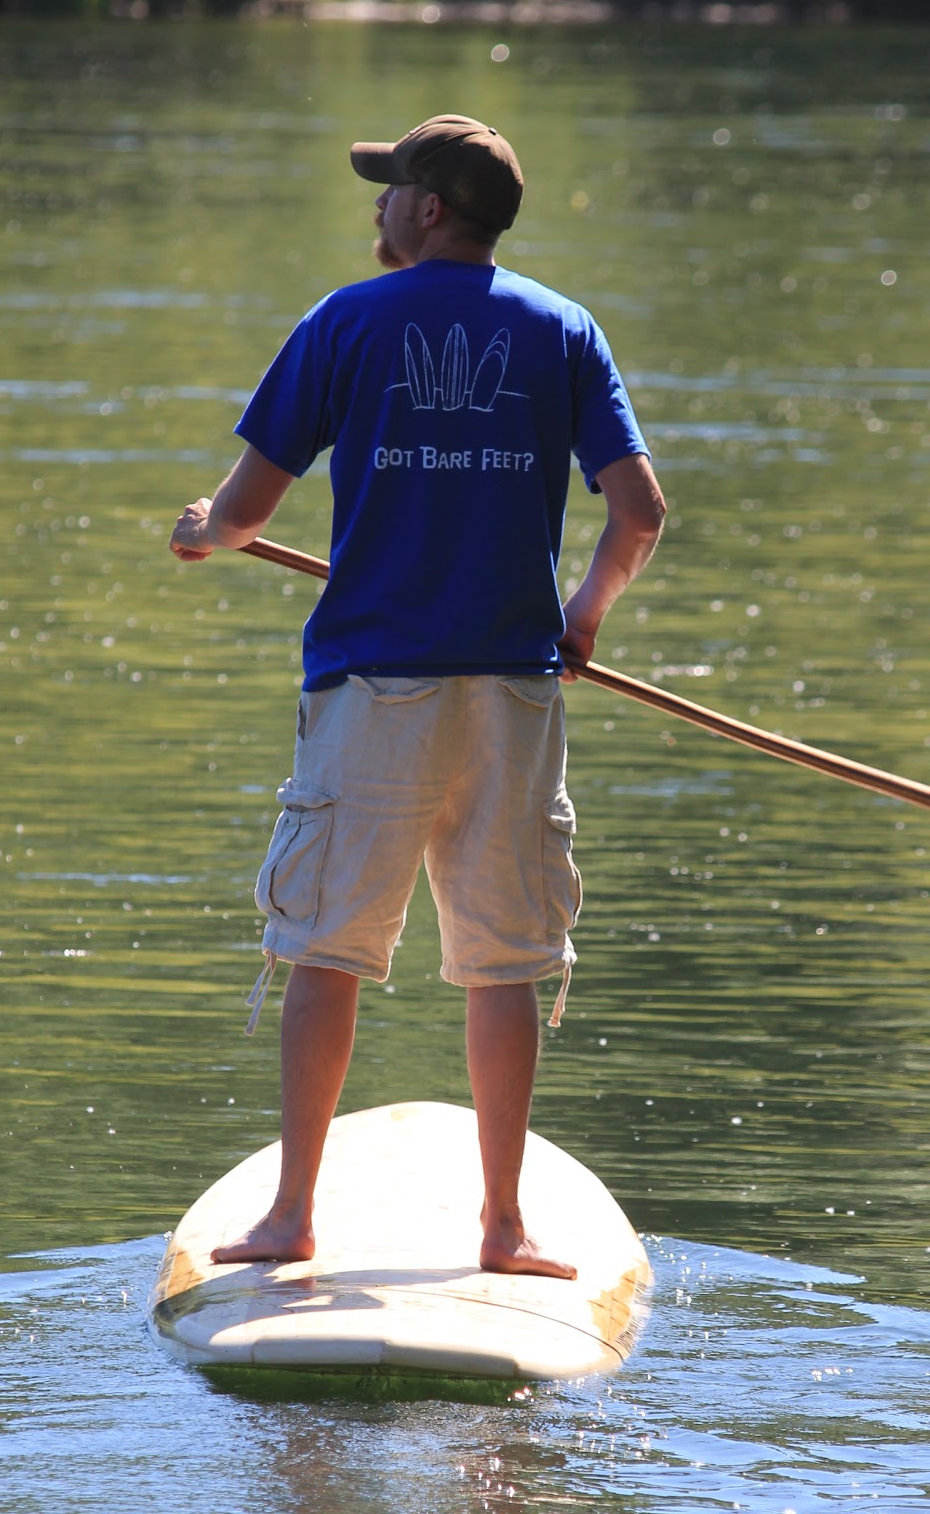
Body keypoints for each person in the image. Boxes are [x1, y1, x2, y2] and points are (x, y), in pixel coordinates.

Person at [170, 114, 665, 1280]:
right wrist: (582, 614)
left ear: (429, 209)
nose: (378, 205)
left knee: (325, 948)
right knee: (504, 961)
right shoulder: (563, 328)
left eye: (391, 188)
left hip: (374, 686)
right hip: (511, 692)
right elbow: (638, 513)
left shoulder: (342, 321)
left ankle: (293, 1216)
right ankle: (503, 1227)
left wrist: (203, 530)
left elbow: (243, 513)